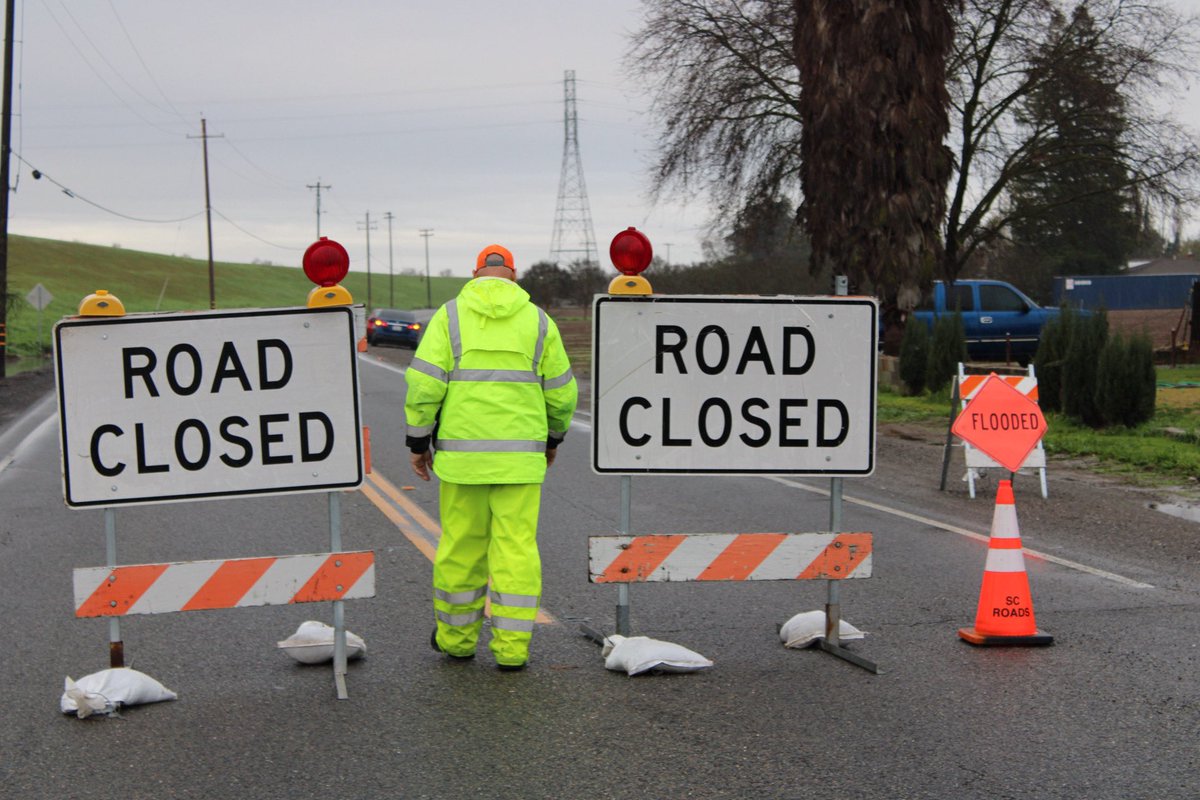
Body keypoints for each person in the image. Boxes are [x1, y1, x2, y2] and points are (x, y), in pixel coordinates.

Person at [404, 243, 578, 671]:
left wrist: (417, 442)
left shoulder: (450, 317)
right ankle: (512, 650)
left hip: (462, 462)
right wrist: (553, 439)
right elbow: (562, 393)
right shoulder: (539, 321)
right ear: (513, 277)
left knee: (461, 549)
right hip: (520, 463)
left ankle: (457, 642)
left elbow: (425, 387)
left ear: (475, 274)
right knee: (515, 551)